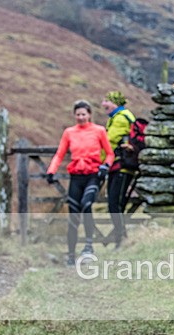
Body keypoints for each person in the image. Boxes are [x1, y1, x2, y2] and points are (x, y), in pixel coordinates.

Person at [45, 100, 113, 266]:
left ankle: (89, 245)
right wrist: (51, 171)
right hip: (76, 176)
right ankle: (70, 254)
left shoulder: (99, 131)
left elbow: (110, 153)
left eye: (84, 114)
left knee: (86, 204)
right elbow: (59, 154)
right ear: (74, 115)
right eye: (78, 114)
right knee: (73, 214)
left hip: (93, 174)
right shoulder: (69, 132)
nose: (81, 117)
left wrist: (106, 166)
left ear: (89, 114)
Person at [101, 91, 136, 248]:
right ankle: (121, 237)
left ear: (116, 103)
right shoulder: (118, 117)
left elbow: (109, 141)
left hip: (121, 166)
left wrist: (98, 160)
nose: (103, 104)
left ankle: (120, 238)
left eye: (107, 101)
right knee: (116, 203)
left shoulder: (121, 118)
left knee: (115, 203)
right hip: (118, 166)